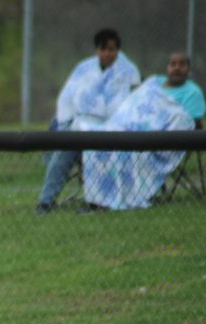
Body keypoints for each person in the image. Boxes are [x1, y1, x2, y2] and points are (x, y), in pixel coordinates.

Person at [81, 52, 206, 211]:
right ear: (167, 68)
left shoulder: (193, 92)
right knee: (98, 140)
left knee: (126, 151)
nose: (177, 68)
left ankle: (122, 197)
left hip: (157, 140)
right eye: (173, 64)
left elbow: (189, 122)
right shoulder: (153, 83)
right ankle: (98, 198)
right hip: (125, 126)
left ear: (188, 69)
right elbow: (133, 104)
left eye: (182, 64)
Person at [36, 28, 141, 214]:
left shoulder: (129, 71)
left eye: (111, 49)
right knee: (62, 154)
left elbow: (131, 103)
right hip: (80, 126)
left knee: (97, 153)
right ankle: (45, 202)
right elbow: (68, 98)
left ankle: (98, 202)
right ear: (96, 50)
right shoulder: (83, 69)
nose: (107, 53)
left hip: (112, 128)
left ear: (117, 50)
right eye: (103, 49)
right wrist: (67, 123)